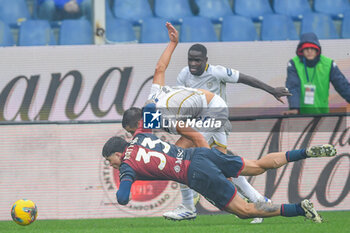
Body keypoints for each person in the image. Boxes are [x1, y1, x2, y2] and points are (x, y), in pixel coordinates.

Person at [102, 120, 337, 223]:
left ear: (118, 153)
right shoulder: (141, 134)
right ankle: (305, 153)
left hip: (195, 174)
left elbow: (123, 197)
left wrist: (126, 181)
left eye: (110, 160)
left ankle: (299, 209)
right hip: (201, 154)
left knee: (244, 211)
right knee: (257, 165)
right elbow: (150, 110)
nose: (111, 165)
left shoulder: (127, 166)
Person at [285, 32, 350, 115]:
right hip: (300, 116)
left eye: (312, 48)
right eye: (306, 48)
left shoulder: (328, 64)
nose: (309, 51)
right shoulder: (294, 63)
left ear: (317, 50)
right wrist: (294, 108)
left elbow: (342, 86)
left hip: (323, 115)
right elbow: (293, 87)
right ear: (301, 50)